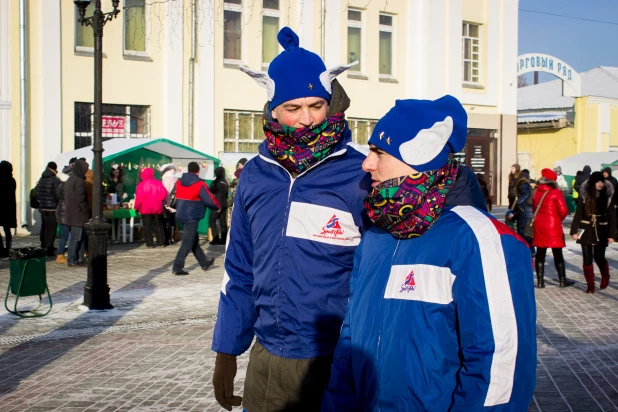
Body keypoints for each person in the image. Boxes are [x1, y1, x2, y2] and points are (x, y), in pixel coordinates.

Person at [321, 97, 537, 411]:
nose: (367, 163)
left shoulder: (480, 240)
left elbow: (499, 372)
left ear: (419, 157)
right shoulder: (377, 235)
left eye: (379, 152)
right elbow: (351, 340)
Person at [212, 27, 369, 412]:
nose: (306, 120)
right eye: (293, 108)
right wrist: (227, 350)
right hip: (268, 360)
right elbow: (239, 269)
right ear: (273, 110)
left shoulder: (359, 173)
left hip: (338, 358)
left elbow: (377, 273)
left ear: (331, 104)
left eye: (316, 106)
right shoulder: (256, 174)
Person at [570, 171, 616, 293]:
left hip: (601, 229)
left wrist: (612, 235)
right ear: (592, 183)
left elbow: (612, 217)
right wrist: (574, 231)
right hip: (585, 228)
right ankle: (590, 284)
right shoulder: (585, 196)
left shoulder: (607, 196)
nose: (600, 184)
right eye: (598, 182)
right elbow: (578, 215)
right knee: (587, 258)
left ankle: (605, 276)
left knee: (599, 257)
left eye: (602, 182)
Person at [172, 162, 219, 275]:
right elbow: (209, 199)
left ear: (188, 170)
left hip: (181, 213)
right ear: (198, 171)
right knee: (187, 242)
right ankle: (177, 267)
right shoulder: (199, 184)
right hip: (192, 215)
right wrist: (216, 206)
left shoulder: (179, 182)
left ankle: (204, 262)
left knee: (194, 241)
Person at [532, 168, 572, 288]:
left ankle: (540, 282)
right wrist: (558, 218)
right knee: (557, 252)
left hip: (539, 224)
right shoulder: (556, 192)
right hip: (553, 225)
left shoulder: (536, 192)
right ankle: (562, 280)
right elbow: (563, 210)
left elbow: (534, 209)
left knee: (540, 252)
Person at [64, 159, 90, 266]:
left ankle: (78, 258)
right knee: (76, 238)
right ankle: (72, 259)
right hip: (78, 214)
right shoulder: (78, 181)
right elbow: (80, 198)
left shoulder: (71, 179)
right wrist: (85, 210)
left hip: (72, 212)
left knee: (79, 237)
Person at [134, 167, 168, 248]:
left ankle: (149, 243)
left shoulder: (141, 185)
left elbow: (139, 198)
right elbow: (164, 195)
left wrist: (136, 207)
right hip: (157, 207)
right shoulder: (158, 183)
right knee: (158, 224)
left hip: (145, 208)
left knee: (147, 225)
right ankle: (161, 242)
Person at [36, 162, 61, 256]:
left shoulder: (41, 179)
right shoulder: (54, 180)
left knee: (45, 227)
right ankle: (49, 248)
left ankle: (43, 245)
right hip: (52, 208)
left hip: (43, 207)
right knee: (51, 229)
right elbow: (58, 194)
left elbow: (37, 194)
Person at [512, 170, 535, 256]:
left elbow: (526, 194)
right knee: (527, 233)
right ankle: (530, 251)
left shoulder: (523, 184)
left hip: (525, 213)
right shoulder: (527, 185)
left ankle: (528, 252)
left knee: (523, 233)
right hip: (527, 212)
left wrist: (519, 202)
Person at [55, 164, 72, 264]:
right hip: (65, 212)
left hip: (61, 211)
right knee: (65, 234)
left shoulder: (60, 185)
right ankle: (60, 254)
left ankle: (61, 254)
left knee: (64, 234)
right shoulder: (66, 186)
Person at [209, 166, 229, 245]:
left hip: (218, 203)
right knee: (222, 221)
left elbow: (211, 190)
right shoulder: (225, 182)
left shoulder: (216, 181)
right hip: (224, 203)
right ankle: (224, 239)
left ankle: (215, 238)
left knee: (212, 220)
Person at [0, 161, 17, 256]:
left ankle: (1, 248)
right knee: (7, 230)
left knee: (5, 230)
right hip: (8, 208)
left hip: (1, 208)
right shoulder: (11, 180)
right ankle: (8, 249)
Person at [160, 163, 179, 245]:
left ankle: (166, 238)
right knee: (173, 220)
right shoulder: (176, 178)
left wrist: (164, 203)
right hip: (175, 202)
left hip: (167, 202)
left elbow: (164, 191)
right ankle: (172, 237)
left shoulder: (166, 178)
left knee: (165, 220)